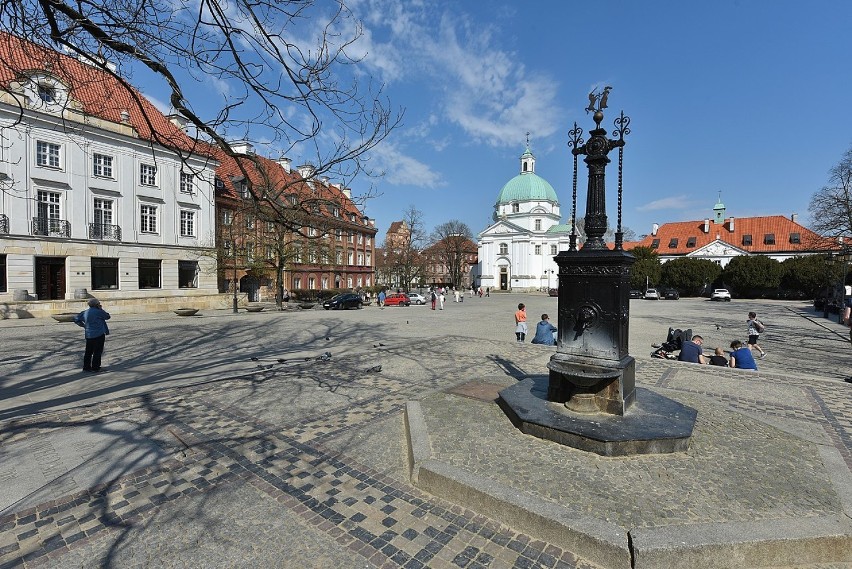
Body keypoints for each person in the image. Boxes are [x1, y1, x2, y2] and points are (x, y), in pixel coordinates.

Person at [74, 298, 111, 372]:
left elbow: (76, 319)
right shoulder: (98, 312)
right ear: (97, 304)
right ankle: (96, 367)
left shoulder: (85, 312)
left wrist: (83, 325)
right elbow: (107, 316)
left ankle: (86, 367)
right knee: (97, 351)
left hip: (89, 334)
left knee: (88, 351)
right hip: (99, 333)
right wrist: (101, 309)